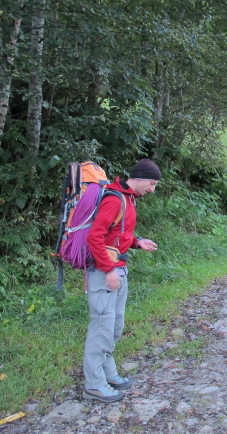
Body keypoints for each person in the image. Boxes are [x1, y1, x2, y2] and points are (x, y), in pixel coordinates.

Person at [82, 159, 161, 403]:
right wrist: (107, 270)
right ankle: (94, 385)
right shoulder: (114, 199)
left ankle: (109, 374)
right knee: (102, 329)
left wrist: (137, 242)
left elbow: (117, 233)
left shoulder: (127, 199)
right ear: (139, 177)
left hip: (118, 270)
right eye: (152, 183)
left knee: (114, 327)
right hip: (104, 273)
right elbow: (94, 237)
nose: (153, 189)